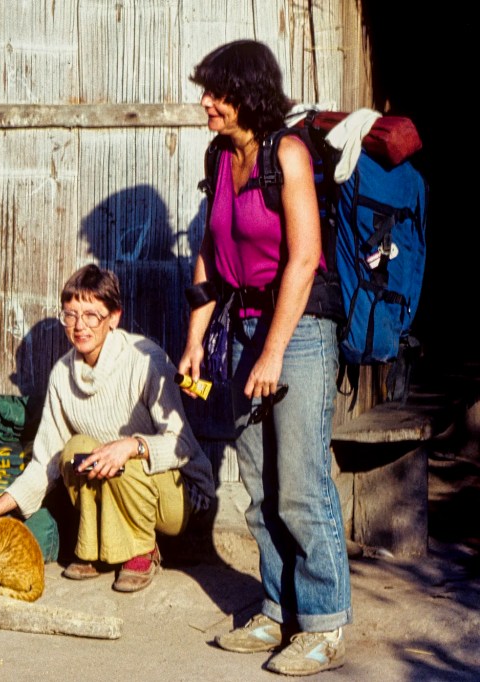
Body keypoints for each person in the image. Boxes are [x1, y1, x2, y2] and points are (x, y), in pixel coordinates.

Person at [179, 40, 351, 676]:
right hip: (242, 323)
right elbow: (208, 254)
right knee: (258, 485)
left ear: (247, 92)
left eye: (217, 93)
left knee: (302, 484)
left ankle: (325, 623)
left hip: (298, 328)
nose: (206, 103)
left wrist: (274, 351)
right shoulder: (222, 157)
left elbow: (304, 259)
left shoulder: (289, 154)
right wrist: (195, 339)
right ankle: (279, 608)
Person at [0, 264, 216, 594]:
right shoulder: (62, 374)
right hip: (119, 488)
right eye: (71, 315)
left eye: (91, 315)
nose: (79, 326)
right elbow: (44, 463)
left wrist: (131, 446)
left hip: (178, 496)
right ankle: (95, 548)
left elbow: (181, 444)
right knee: (73, 451)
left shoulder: (145, 360)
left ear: (114, 317)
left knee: (122, 455)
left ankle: (143, 549)